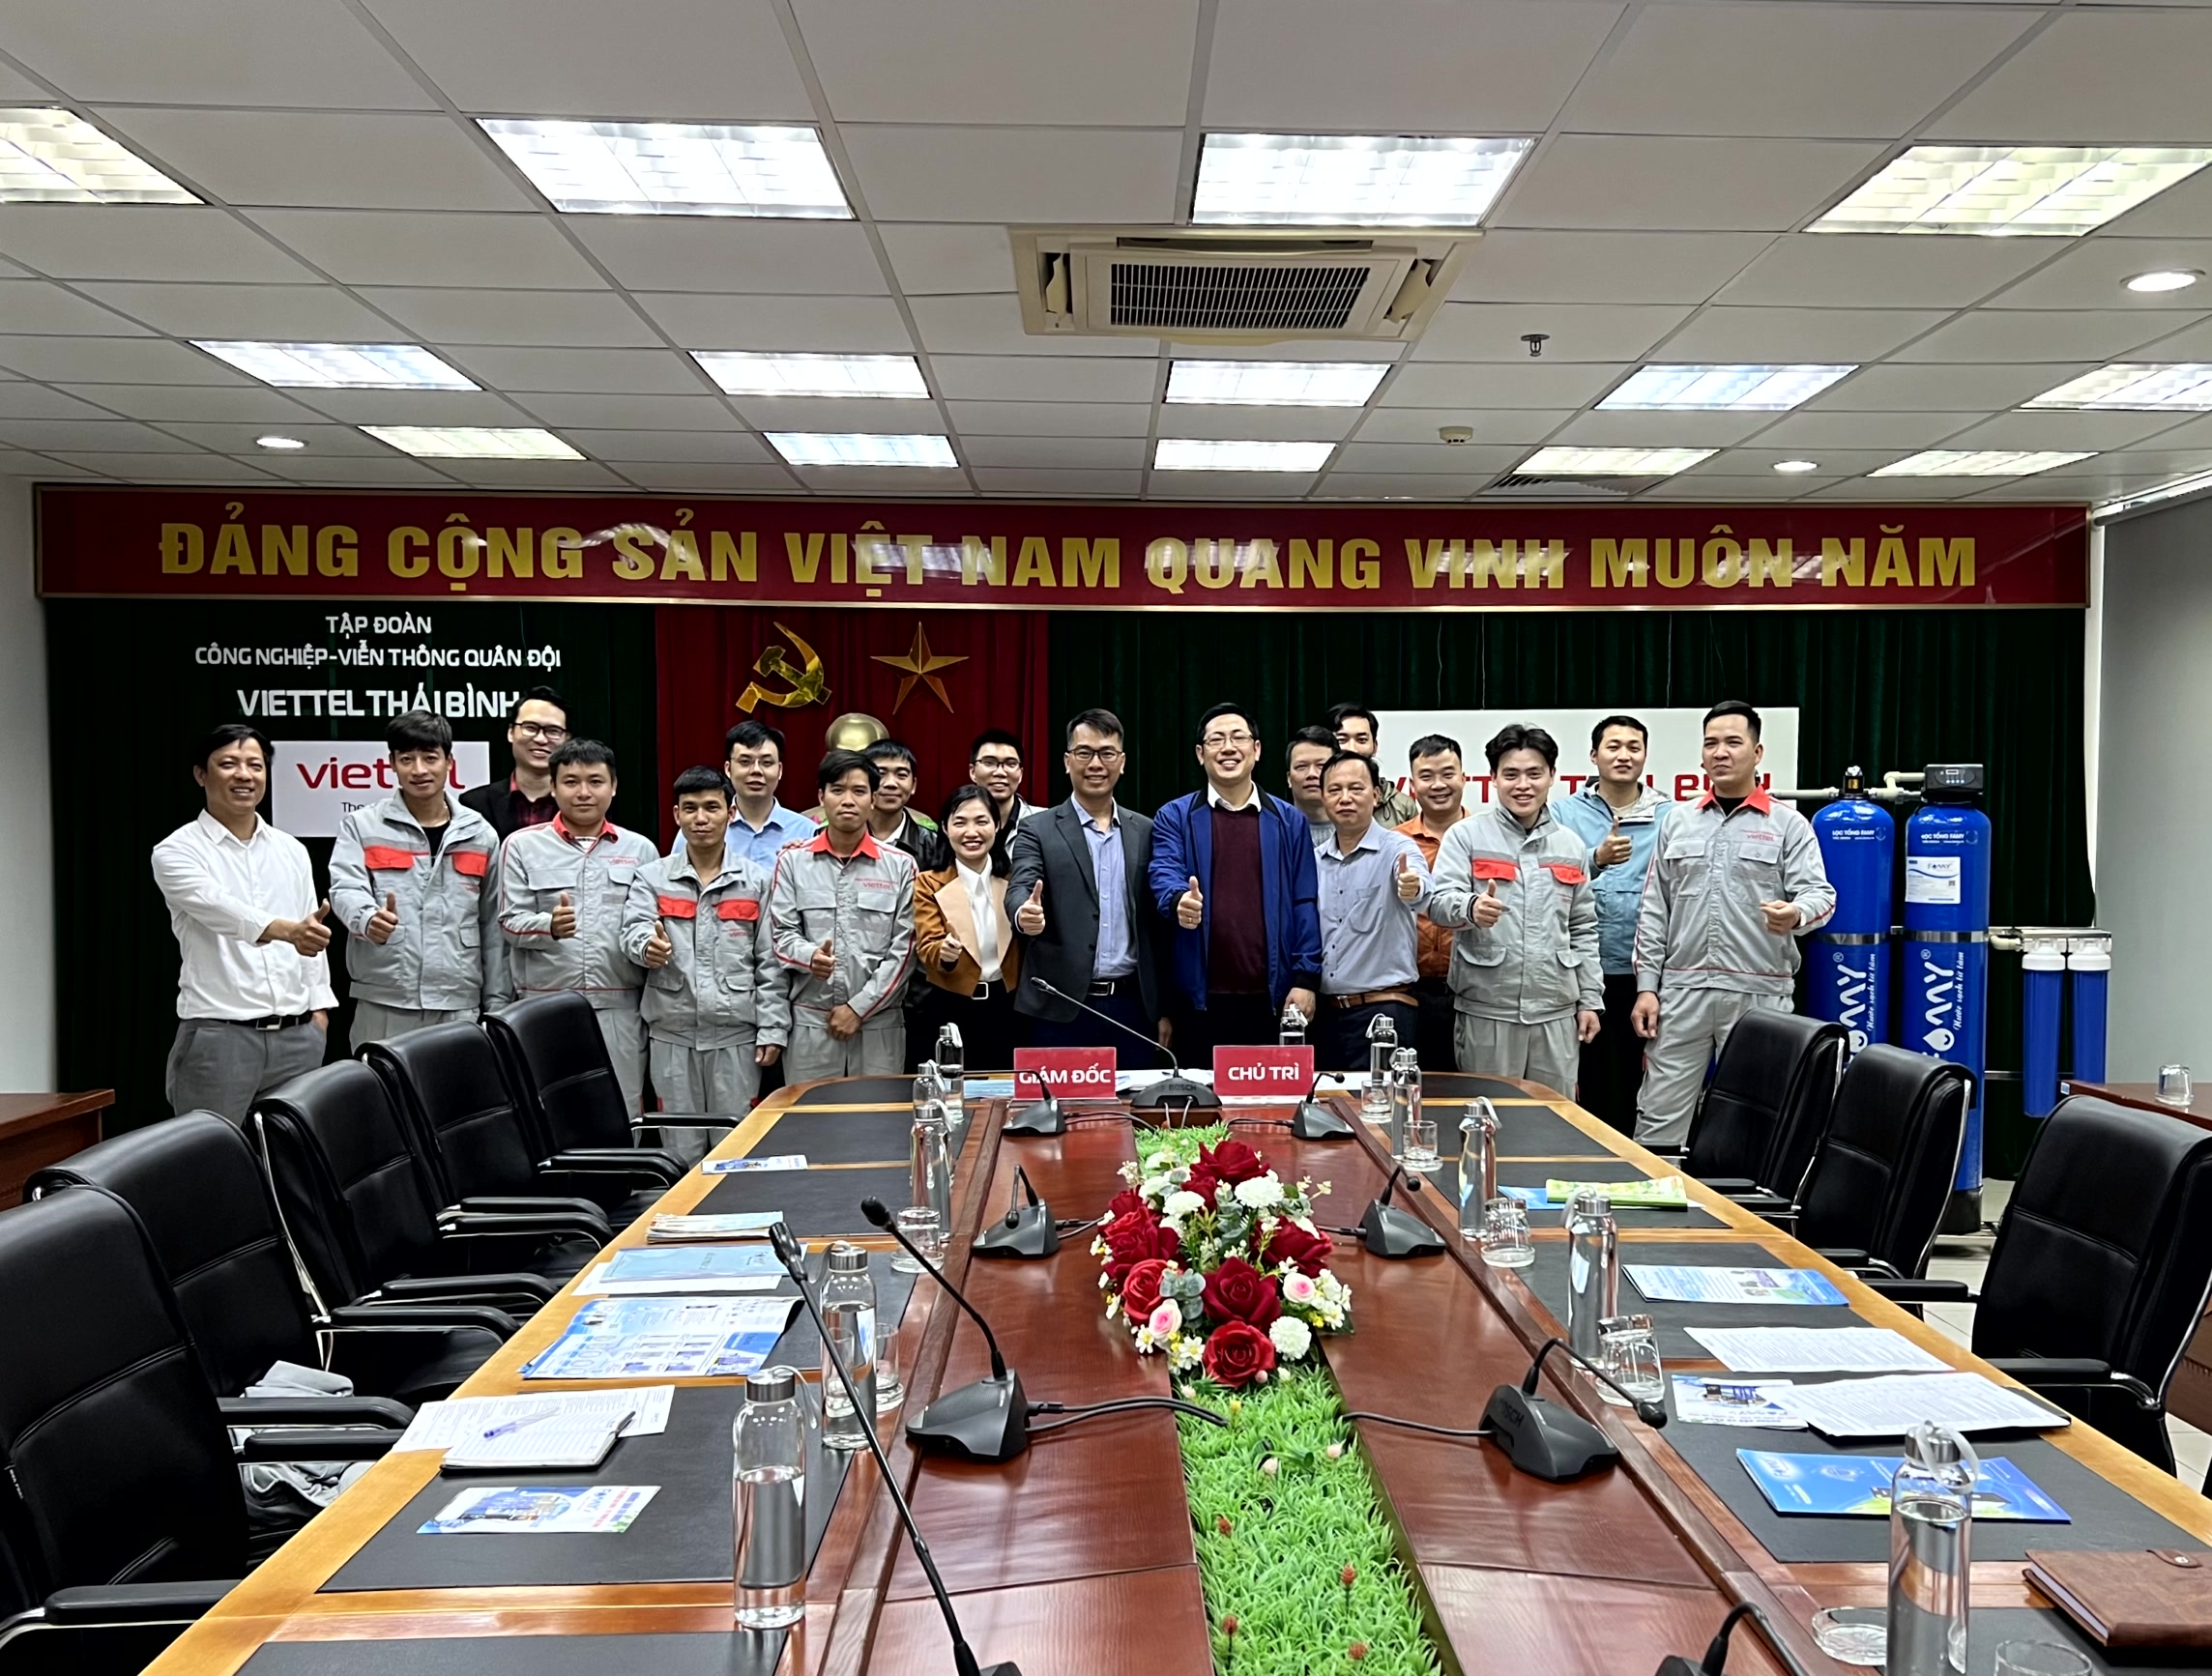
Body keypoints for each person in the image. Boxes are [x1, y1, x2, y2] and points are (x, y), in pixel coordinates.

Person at [1633, 701, 1835, 1148]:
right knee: (1659, 1116)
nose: (1720, 752)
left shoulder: (1788, 824)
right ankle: (1657, 1193)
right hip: (1682, 992)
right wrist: (1647, 988)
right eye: (1711, 743)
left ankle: (1745, 1197)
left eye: (1732, 742)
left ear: (1757, 753)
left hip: (1759, 993)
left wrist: (1796, 913)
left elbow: (1822, 898)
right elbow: (1654, 910)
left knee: (1756, 1120)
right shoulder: (1677, 821)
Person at [151, 724, 335, 1124]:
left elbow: (311, 931)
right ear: (201, 774)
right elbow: (222, 909)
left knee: (294, 1156)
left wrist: (318, 1012)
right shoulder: (176, 851)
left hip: (298, 1037)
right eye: (228, 764)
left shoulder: (291, 850)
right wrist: (288, 931)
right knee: (209, 1155)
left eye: (255, 765)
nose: (244, 775)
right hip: (220, 1038)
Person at [1428, 725, 1601, 1095]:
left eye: (1534, 774)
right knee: (1487, 1115)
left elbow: (1583, 928)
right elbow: (1437, 902)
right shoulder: (1466, 836)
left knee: (1554, 1118)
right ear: (1493, 778)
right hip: (1487, 1011)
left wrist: (1590, 1000)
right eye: (1511, 774)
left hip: (1556, 1014)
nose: (1523, 785)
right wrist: (1471, 907)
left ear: (1552, 776)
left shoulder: (1571, 846)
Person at [1149, 703, 1323, 1056]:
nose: (1228, 747)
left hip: (1273, 1000)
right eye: (1216, 740)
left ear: (1256, 750)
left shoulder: (1290, 821)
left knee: (1269, 1091)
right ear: (1200, 754)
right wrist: (1178, 899)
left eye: (1238, 737)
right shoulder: (1174, 816)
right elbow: (1163, 870)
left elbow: (1304, 902)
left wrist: (1306, 979)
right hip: (1197, 1003)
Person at [497, 738, 659, 1114]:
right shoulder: (520, 846)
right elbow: (508, 922)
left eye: (595, 781)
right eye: (571, 782)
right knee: (550, 1113)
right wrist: (548, 926)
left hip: (619, 1007)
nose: (583, 792)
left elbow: (648, 924)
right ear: (553, 787)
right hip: (544, 1007)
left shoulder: (641, 850)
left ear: (613, 786)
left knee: (622, 1111)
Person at [329, 708, 505, 1051]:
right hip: (384, 999)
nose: (419, 770)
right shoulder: (362, 826)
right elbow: (345, 887)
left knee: (454, 1088)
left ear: (449, 762)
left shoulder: (479, 834)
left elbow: (492, 927)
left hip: (458, 1004)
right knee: (380, 1086)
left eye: (430, 757)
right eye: (407, 759)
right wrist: (367, 919)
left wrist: (497, 1006)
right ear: (391, 764)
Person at [622, 766, 787, 1114]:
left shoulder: (757, 882)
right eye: (690, 808)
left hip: (736, 1038)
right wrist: (647, 947)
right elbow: (633, 929)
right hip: (672, 1036)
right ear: (676, 815)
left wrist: (773, 1028)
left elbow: (770, 963)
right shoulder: (652, 878)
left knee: (736, 1137)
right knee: (679, 1139)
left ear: (730, 813)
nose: (701, 818)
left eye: (712, 807)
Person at [1007, 708, 1165, 1065]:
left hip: (1132, 1007)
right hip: (1060, 1007)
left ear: (1122, 762)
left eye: (1106, 753)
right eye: (1084, 753)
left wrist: (1163, 1008)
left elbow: (1156, 929)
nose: (1096, 763)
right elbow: (1021, 886)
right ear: (1067, 762)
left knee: (1133, 1101)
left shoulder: (1146, 830)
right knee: (1058, 1103)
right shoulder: (1038, 829)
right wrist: (1023, 913)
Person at [1555, 714, 1674, 1134]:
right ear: (1594, 755)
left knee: (1636, 1084)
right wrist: (1596, 859)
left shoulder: (1670, 816)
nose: (1624, 755)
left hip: (1644, 976)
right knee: (1581, 1082)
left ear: (1645, 755)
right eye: (1613, 746)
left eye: (1633, 747)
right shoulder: (1563, 812)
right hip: (1578, 972)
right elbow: (1549, 874)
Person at [769, 751, 918, 1081]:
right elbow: (780, 935)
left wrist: (858, 1008)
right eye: (837, 790)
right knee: (810, 1112)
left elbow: (905, 951)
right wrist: (809, 956)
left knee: (877, 1112)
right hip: (812, 1023)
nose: (848, 800)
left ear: (873, 799)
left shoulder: (901, 866)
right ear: (821, 796)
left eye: (859, 791)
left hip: (879, 1023)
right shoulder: (792, 862)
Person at [1312, 752, 1431, 1072]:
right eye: (1335, 790)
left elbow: (1420, 886)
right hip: (1325, 1015)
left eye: (1356, 788)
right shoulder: (1315, 860)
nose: (1345, 798)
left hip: (1383, 1014)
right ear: (1323, 797)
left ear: (1376, 794)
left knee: (1381, 1104)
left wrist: (1412, 887)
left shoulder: (1399, 849)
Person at [913, 785, 1023, 1071]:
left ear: (997, 826)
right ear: (945, 828)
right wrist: (945, 952)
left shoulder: (1014, 880)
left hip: (1008, 1007)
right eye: (960, 822)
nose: (971, 832)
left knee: (1006, 1089)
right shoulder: (928, 882)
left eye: (981, 821)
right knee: (955, 1089)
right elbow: (928, 945)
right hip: (951, 1006)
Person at [1394, 732, 1469, 1072]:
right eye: (1426, 776)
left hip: (1472, 994)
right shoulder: (1394, 842)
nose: (1438, 785)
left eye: (1447, 774)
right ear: (1412, 785)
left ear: (1464, 778)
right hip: (1410, 992)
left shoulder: (1486, 836)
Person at [460, 685, 568, 840]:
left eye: (553, 731)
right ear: (511, 732)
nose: (541, 739)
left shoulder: (581, 803)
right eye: (530, 728)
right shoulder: (473, 804)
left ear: (567, 739)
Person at [717, 719, 816, 871]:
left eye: (767, 763)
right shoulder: (702, 829)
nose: (756, 770)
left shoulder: (807, 831)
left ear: (780, 771)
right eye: (745, 762)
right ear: (728, 769)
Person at [862, 739, 949, 871]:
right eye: (880, 774)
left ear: (913, 785)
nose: (891, 783)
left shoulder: (933, 844)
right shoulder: (842, 837)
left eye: (901, 775)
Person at [1327, 703, 1418, 826]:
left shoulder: (1402, 806)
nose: (1352, 749)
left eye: (1361, 740)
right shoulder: (1314, 800)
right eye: (1342, 740)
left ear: (1375, 746)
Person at [969, 729, 1041, 830]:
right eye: (989, 763)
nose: (1000, 772)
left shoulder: (1044, 822)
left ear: (1021, 774)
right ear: (972, 772)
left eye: (1010, 764)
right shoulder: (956, 823)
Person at [1284, 725, 1339, 848]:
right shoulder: (1273, 831)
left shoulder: (1358, 831)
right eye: (1301, 766)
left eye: (1321, 766)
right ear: (1289, 778)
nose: (1312, 774)